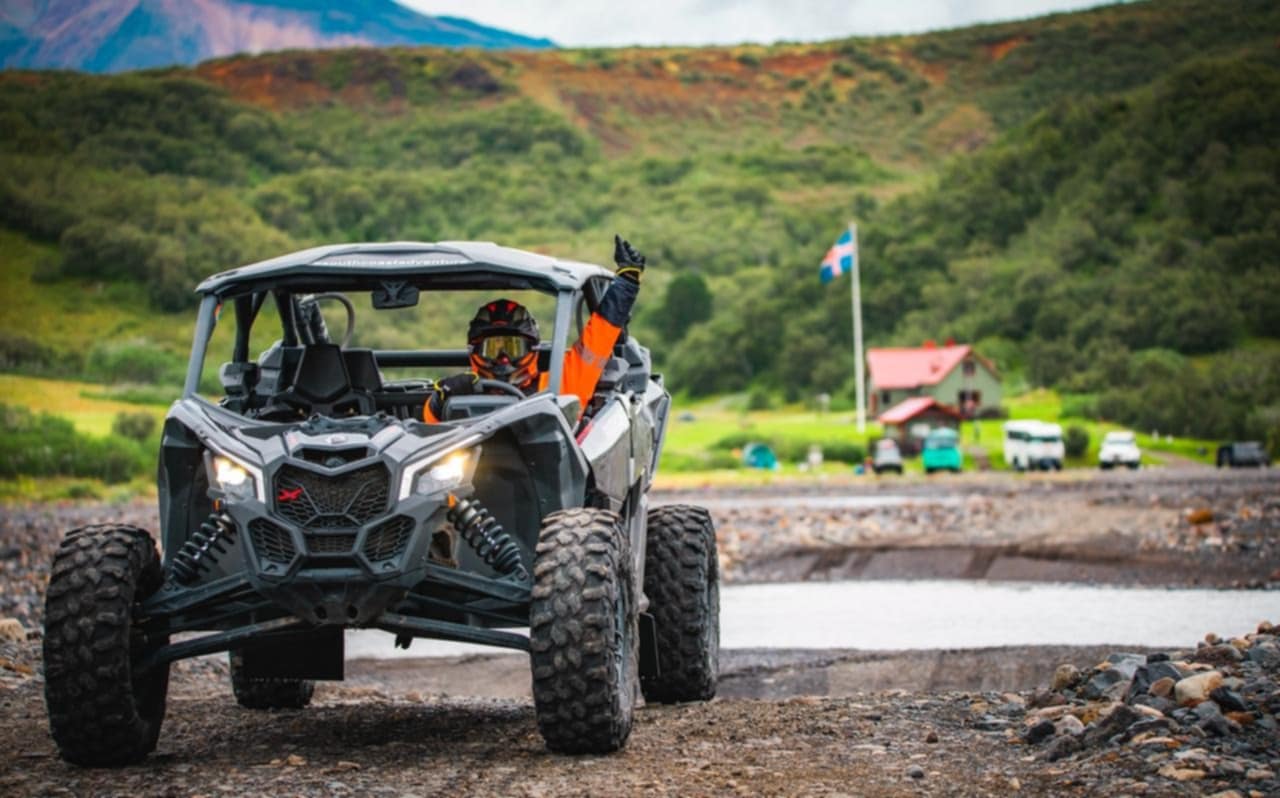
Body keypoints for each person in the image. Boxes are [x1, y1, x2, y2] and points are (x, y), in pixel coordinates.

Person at [422, 235, 647, 423]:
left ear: (532, 348)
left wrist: (626, 284)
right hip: (467, 473)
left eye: (513, 347)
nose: (503, 358)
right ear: (474, 352)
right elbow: (428, 437)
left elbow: (599, 338)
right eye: (492, 348)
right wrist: (438, 402)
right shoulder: (461, 392)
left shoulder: (560, 383)